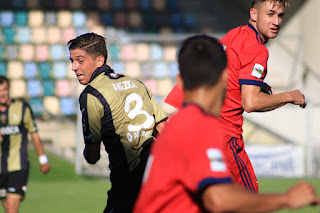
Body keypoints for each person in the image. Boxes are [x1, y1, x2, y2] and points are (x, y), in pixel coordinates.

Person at [133, 34, 319, 213]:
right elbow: (218, 199)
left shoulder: (176, 123)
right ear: (225, 79)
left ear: (179, 82)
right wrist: (287, 198)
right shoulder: (200, 124)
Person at [164, 0, 306, 193]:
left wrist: (258, 85)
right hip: (225, 138)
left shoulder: (234, 35)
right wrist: (290, 96)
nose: (276, 21)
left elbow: (222, 74)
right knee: (249, 201)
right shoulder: (257, 49)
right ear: (254, 14)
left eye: (280, 16)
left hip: (195, 131)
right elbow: (251, 102)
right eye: (270, 14)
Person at [67, 33, 167, 213]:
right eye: (72, 61)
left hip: (129, 181)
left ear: (99, 60)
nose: (74, 67)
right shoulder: (136, 83)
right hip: (158, 172)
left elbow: (92, 156)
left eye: (80, 61)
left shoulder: (91, 95)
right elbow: (163, 129)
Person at [0, 76, 51, 213]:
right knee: (7, 207)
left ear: (9, 89)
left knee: (11, 209)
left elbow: (34, 133)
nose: (2, 93)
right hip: (1, 168)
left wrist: (43, 159)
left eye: (4, 90)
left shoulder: (22, 108)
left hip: (18, 166)